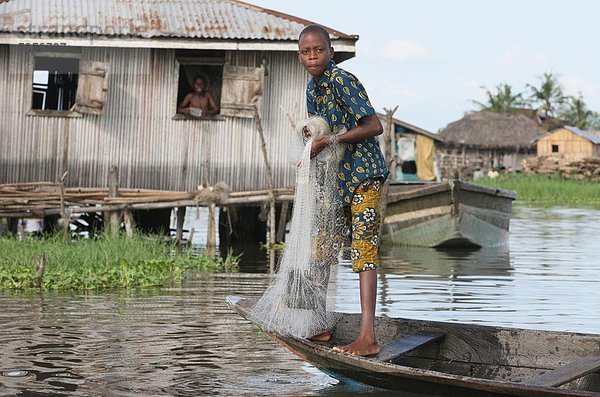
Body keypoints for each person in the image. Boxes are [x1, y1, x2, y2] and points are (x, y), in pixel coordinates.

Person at [298, 24, 389, 356]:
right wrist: (310, 147)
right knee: (322, 247)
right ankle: (320, 324)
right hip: (336, 179)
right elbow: (319, 132)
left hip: (364, 175)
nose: (313, 56)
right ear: (300, 56)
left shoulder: (342, 80)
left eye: (319, 50)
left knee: (362, 250)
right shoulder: (313, 90)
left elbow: (373, 125)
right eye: (306, 52)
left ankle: (368, 337)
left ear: (330, 52)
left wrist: (330, 140)